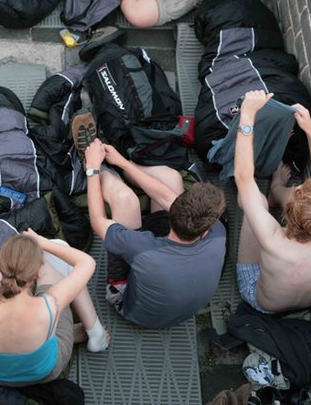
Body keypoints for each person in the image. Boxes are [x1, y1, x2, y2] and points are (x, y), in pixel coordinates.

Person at [85, 138, 226, 329]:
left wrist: (92, 169)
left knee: (125, 199)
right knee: (171, 178)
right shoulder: (218, 233)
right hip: (180, 303)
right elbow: (167, 197)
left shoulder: (140, 247)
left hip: (135, 310)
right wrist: (122, 162)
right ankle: (118, 164)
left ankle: (98, 165)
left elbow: (97, 220)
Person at [234, 90, 311, 313]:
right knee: (263, 198)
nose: (297, 187)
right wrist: (310, 130)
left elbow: (243, 178)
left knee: (253, 201)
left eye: (297, 190)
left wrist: (247, 115)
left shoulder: (273, 240)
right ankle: (277, 190)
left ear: (287, 218)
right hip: (307, 301)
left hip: (262, 301)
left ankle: (271, 195)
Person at [0, 229, 109, 386]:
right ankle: (94, 335)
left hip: (0, 377)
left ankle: (63, 335)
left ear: (0, 267)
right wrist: (42, 242)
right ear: (38, 273)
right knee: (60, 259)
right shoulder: (50, 305)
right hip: (45, 373)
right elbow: (87, 262)